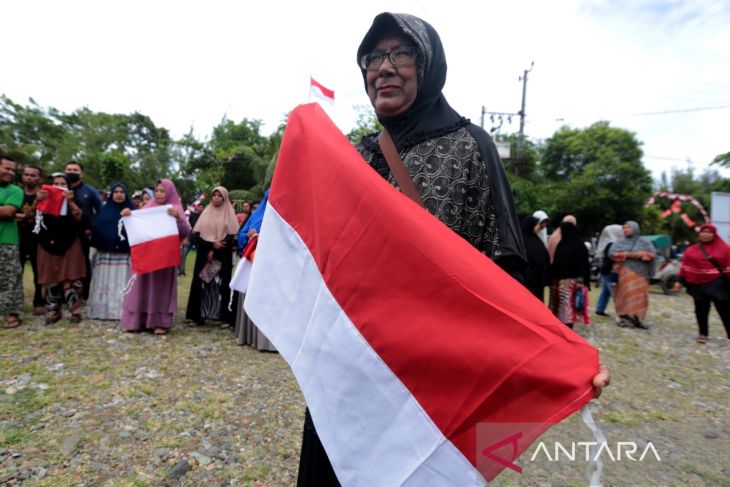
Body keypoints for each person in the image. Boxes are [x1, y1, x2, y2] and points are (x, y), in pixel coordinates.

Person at [297, 13, 609, 486]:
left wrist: (562, 357)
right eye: (373, 57)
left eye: (400, 53)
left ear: (428, 66)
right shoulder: (355, 157)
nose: (383, 67)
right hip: (350, 364)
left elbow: (506, 269)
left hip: (425, 373)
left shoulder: (469, 148)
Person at [120, 179, 190, 335]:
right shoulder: (149, 206)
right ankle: (137, 320)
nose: (159, 193)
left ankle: (160, 322)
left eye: (163, 191)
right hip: (147, 257)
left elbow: (185, 231)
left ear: (170, 192)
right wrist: (128, 216)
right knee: (141, 288)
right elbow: (137, 225)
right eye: (157, 190)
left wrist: (178, 218)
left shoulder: (175, 208)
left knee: (160, 290)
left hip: (164, 259)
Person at [36, 173, 86, 324]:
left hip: (70, 241)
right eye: (55, 183)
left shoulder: (76, 199)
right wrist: (37, 201)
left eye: (63, 184)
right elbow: (30, 218)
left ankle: (75, 311)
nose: (59, 186)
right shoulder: (42, 200)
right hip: (46, 241)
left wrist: (70, 202)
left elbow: (80, 218)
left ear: (69, 187)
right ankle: (53, 310)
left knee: (72, 275)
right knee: (49, 276)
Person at [185, 187, 238, 327]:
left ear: (224, 198)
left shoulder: (229, 214)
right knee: (201, 283)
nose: (216, 198)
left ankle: (223, 317)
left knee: (222, 284)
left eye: (219, 196)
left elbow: (231, 234)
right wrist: (210, 245)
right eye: (214, 195)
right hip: (204, 254)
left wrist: (217, 246)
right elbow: (197, 235)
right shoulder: (206, 213)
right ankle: (198, 315)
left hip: (223, 254)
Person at [233, 190, 276, 351]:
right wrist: (249, 235)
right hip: (254, 264)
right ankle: (251, 337)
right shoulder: (257, 215)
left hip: (275, 268)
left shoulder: (286, 216)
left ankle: (268, 341)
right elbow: (241, 235)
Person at [675, 224, 730, 343]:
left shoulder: (724, 249)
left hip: (717, 284)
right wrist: (679, 282)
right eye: (703, 232)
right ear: (699, 234)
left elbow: (728, 267)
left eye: (709, 232)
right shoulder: (691, 249)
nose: (705, 234)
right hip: (697, 284)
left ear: (714, 234)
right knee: (700, 310)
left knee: (725, 310)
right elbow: (684, 267)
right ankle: (703, 334)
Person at [87, 183, 135, 320]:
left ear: (126, 194)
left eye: (122, 192)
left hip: (125, 257)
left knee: (122, 281)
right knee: (106, 281)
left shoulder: (132, 211)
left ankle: (122, 311)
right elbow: (97, 228)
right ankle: (103, 310)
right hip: (106, 256)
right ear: (112, 194)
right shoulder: (104, 211)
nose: (119, 194)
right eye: (116, 192)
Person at [65, 161, 102, 301]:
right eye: (69, 169)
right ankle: (65, 294)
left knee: (84, 263)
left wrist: (91, 228)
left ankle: (83, 295)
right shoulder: (59, 189)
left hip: (83, 233)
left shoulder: (90, 191)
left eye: (75, 170)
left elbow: (100, 211)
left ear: (81, 173)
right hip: (62, 233)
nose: (71, 172)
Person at [609, 220, 656, 329]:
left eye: (628, 227)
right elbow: (611, 254)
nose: (626, 230)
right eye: (624, 228)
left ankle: (637, 319)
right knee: (625, 295)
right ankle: (625, 318)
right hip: (624, 273)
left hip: (641, 274)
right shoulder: (619, 242)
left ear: (635, 229)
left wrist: (639, 255)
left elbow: (652, 255)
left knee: (639, 297)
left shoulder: (645, 242)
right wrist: (630, 255)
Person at [549, 221, 591, 329]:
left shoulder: (579, 245)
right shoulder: (562, 243)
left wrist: (581, 280)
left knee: (567, 310)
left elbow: (584, 264)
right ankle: (559, 327)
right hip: (558, 281)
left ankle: (567, 329)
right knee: (559, 308)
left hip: (571, 282)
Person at [17, 164, 45, 314]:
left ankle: (39, 302)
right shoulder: (17, 194)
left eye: (33, 175)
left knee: (38, 272)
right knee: (16, 272)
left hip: (38, 239)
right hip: (18, 238)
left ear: (39, 179)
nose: (29, 177)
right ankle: (15, 303)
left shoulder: (43, 196)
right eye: (26, 174)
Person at [0, 155, 24, 329]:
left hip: (7, 241)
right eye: (6, 168)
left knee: (10, 279)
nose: (10, 172)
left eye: (12, 169)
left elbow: (8, 212)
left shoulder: (15, 190)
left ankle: (12, 314)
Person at [594, 224, 623, 317]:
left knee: (606, 291)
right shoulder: (613, 244)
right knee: (614, 292)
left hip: (606, 270)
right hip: (610, 270)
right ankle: (622, 313)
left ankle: (600, 309)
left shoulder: (608, 243)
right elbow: (613, 258)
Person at [521, 215, 551, 302]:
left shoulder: (534, 239)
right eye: (538, 225)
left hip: (537, 282)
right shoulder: (524, 241)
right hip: (528, 282)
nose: (540, 228)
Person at [180, 203, 204, 276]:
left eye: (202, 207)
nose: (200, 208)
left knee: (201, 256)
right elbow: (189, 224)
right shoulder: (192, 215)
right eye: (199, 207)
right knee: (184, 254)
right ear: (197, 207)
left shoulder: (205, 216)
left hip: (200, 238)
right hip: (191, 237)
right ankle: (181, 270)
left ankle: (200, 272)